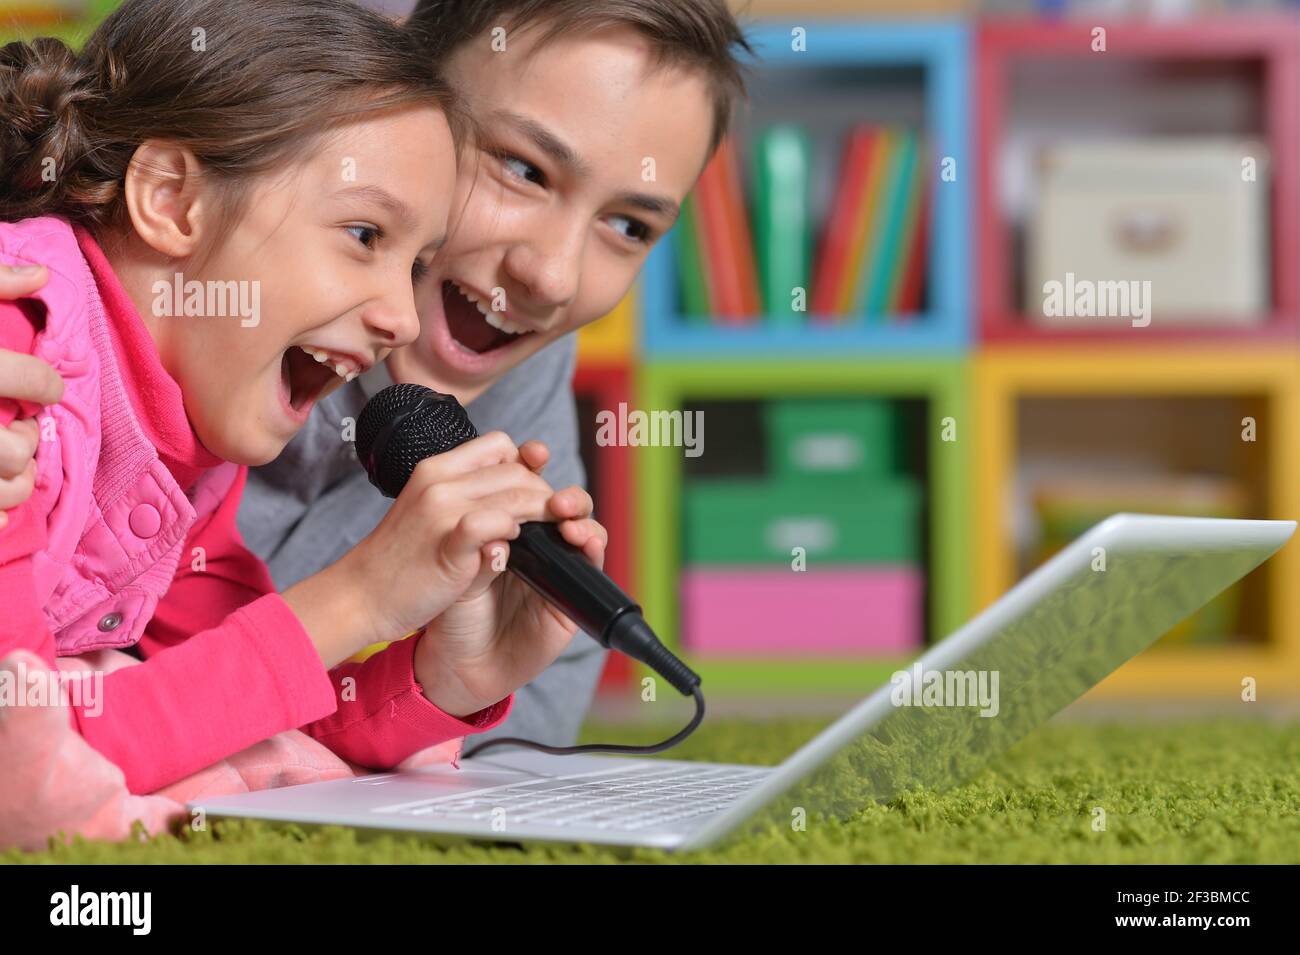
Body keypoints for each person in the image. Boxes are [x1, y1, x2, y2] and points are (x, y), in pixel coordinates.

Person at [0, 0, 606, 846]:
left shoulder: (186, 437)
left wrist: (443, 675)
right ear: (172, 199)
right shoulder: (14, 356)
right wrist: (358, 595)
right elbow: (29, 769)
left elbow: (231, 706)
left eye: (418, 264)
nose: (401, 316)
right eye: (364, 234)